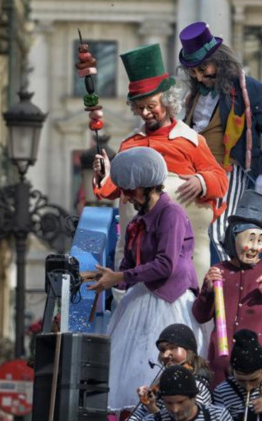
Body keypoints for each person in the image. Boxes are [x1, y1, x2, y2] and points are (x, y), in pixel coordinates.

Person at [92, 43, 228, 285]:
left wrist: (201, 181)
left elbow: (220, 180)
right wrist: (105, 176)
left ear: (167, 102)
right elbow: (115, 189)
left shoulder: (191, 140)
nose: (145, 113)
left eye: (151, 106)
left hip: (185, 248)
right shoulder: (130, 145)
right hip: (140, 248)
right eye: (139, 107)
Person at [88, 147, 204, 412]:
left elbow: (166, 264)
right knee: (133, 376)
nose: (126, 199)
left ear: (146, 186)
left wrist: (120, 276)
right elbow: (128, 269)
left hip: (171, 301)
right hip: (142, 300)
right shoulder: (135, 223)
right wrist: (103, 277)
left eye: (129, 191)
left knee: (163, 369)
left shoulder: (171, 214)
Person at [177, 22, 262, 261]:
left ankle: (222, 289)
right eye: (194, 71)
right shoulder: (194, 96)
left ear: (220, 61)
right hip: (195, 174)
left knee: (218, 233)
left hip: (229, 173)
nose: (200, 76)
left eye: (203, 68)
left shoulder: (251, 90)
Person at [192, 190, 262, 385]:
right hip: (223, 364)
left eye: (260, 240)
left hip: (258, 364)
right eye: (250, 239)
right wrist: (207, 290)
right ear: (234, 238)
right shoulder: (219, 270)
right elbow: (200, 316)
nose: (255, 247)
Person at [113, 324, 215, 421]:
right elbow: (141, 413)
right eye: (162, 349)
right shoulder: (163, 382)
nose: (166, 354)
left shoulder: (198, 385)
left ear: (189, 351)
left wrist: (153, 408)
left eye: (173, 348)